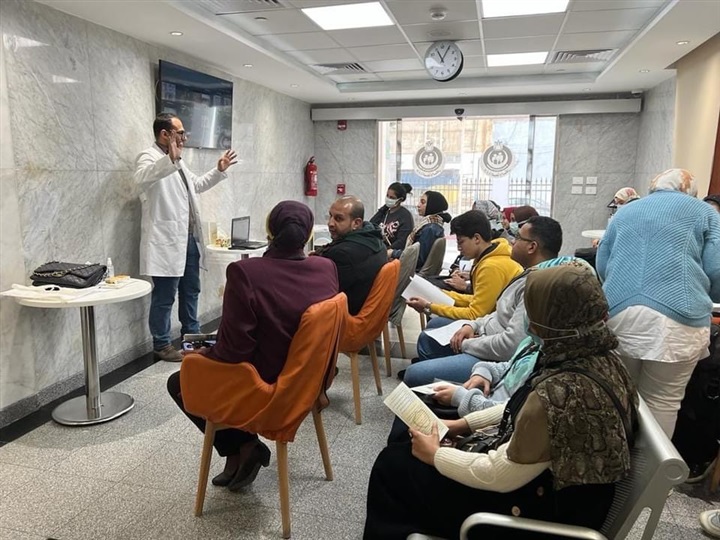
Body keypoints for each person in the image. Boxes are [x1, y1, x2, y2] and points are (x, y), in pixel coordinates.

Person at [364, 264, 638, 540]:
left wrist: (436, 455)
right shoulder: (598, 358)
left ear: (554, 319)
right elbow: (521, 408)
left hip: (541, 515)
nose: (529, 324)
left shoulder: (564, 392)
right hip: (562, 493)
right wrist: (461, 425)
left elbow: (500, 474)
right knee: (407, 452)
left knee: (393, 466)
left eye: (534, 313)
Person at [167, 201, 338, 491]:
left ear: (270, 231)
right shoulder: (326, 267)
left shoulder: (245, 272)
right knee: (210, 375)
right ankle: (239, 453)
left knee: (181, 380)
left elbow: (234, 352)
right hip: (310, 381)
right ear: (309, 233)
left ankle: (245, 446)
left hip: (266, 384)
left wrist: (205, 354)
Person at [597, 168, 720, 437]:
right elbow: (717, 269)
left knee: (620, 394)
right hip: (680, 320)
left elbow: (603, 263)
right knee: (663, 401)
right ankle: (651, 465)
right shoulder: (706, 213)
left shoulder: (625, 212)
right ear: (690, 190)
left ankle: (617, 459)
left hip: (620, 314)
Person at [135, 113, 238, 362]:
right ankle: (161, 344)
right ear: (165, 134)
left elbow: (197, 185)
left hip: (187, 239)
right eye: (180, 132)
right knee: (165, 296)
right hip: (166, 241)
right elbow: (141, 178)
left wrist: (218, 170)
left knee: (191, 289)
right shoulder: (149, 157)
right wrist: (170, 159)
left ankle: (192, 335)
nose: (185, 137)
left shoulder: (179, 161)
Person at [406, 210, 522, 322]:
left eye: (461, 242)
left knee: (436, 324)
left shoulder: (491, 267)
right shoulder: (489, 257)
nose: (458, 248)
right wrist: (442, 294)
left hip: (497, 323)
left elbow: (475, 314)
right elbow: (477, 299)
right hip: (493, 317)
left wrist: (430, 307)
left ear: (476, 238)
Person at [316, 196, 386, 316]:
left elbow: (320, 292)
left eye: (338, 219)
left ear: (356, 223)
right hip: (366, 312)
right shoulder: (375, 239)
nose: (330, 223)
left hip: (343, 317)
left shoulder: (342, 254)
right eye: (330, 216)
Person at [390, 190, 451, 270]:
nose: (418, 205)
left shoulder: (430, 229)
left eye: (423, 202)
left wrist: (393, 253)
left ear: (432, 205)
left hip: (414, 272)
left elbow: (418, 259)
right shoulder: (432, 225)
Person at [370, 182, 414, 250]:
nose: (388, 199)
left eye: (392, 197)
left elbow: (402, 242)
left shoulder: (405, 216)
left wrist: (387, 250)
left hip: (391, 252)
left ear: (400, 200)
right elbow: (371, 225)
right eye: (387, 196)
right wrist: (384, 208)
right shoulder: (384, 212)